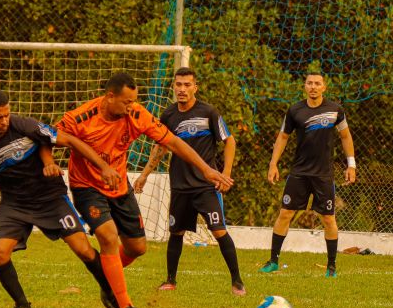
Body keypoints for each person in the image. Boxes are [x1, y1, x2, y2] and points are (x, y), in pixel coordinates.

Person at [56, 72, 234, 308]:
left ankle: (107, 279)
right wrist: (46, 165)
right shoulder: (82, 117)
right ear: (109, 97)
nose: (132, 107)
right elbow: (50, 138)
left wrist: (206, 169)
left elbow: (173, 142)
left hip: (119, 185)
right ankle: (126, 307)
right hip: (87, 186)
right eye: (127, 102)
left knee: (137, 248)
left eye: (134, 101)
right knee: (107, 236)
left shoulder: (137, 115)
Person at [0, 89, 138, 308]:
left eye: (7, 115)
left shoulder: (24, 126)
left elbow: (71, 140)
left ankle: (115, 296)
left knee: (83, 250)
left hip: (50, 198)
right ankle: (22, 305)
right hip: (15, 204)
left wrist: (103, 167)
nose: (4, 121)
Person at [133, 67, 245, 295]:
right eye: (178, 85)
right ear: (174, 87)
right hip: (180, 186)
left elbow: (229, 141)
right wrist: (144, 175)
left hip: (206, 187)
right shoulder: (169, 116)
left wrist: (226, 173)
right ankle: (170, 280)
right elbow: (160, 147)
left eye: (187, 85)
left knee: (219, 231)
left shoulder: (209, 112)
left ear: (195, 87)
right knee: (176, 233)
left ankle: (237, 282)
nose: (182, 89)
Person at [259, 72, 356, 277]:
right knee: (285, 213)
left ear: (324, 87)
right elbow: (283, 137)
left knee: (328, 219)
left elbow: (346, 136)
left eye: (317, 83)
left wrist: (351, 165)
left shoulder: (335, 110)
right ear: (305, 86)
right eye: (310, 83)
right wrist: (273, 164)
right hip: (299, 173)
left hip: (323, 175)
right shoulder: (295, 110)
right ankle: (273, 261)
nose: (313, 86)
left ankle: (331, 267)